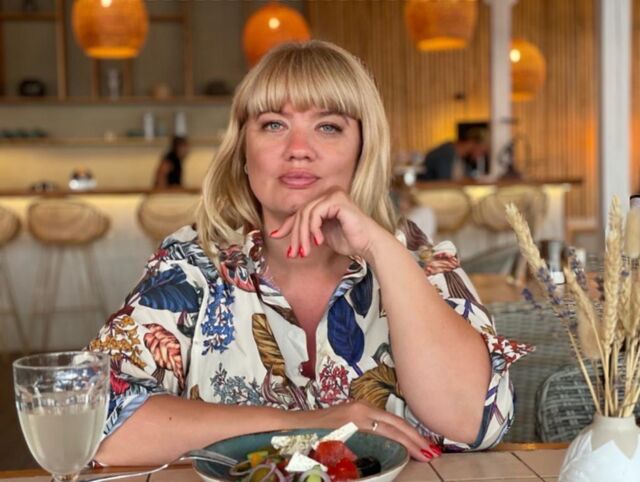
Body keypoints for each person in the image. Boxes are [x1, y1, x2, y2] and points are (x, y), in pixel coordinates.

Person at [89, 40, 532, 467]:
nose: (299, 150)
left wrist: (380, 247)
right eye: (273, 125)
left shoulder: (416, 259)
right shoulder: (191, 264)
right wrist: (309, 426)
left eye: (328, 126)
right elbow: (98, 423)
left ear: (362, 150)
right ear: (244, 150)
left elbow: (474, 424)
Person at [417, 128, 489, 181]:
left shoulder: (461, 158)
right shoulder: (443, 154)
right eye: (483, 151)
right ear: (472, 142)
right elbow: (445, 182)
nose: (481, 156)